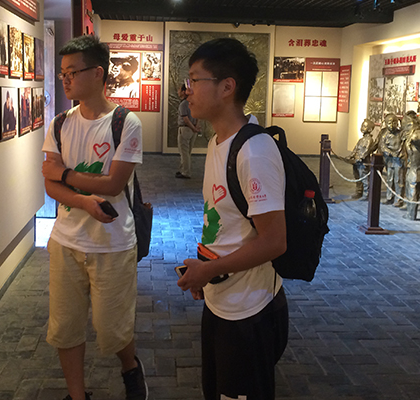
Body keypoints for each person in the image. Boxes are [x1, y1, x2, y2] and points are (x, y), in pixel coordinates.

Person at [176, 38, 288, 400]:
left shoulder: (254, 152)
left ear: (227, 87)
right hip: (222, 299)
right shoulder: (218, 142)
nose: (188, 90)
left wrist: (209, 270)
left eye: (195, 80)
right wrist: (205, 271)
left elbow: (274, 241)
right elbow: (226, 224)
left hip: (249, 310)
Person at [41, 35, 147, 400]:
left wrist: (65, 174)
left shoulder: (125, 123)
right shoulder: (59, 124)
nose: (65, 79)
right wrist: (84, 201)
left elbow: (114, 184)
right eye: (63, 73)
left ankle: (130, 366)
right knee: (65, 327)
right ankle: (77, 395)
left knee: (112, 327)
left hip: (113, 243)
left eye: (72, 72)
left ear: (98, 73)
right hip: (65, 241)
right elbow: (49, 185)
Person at [342, 118, 377, 200]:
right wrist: (350, 156)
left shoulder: (369, 140)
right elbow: (355, 149)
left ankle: (366, 194)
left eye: (364, 126)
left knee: (364, 178)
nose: (362, 128)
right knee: (357, 177)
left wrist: (360, 158)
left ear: (370, 129)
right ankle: (358, 191)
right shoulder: (361, 140)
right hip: (356, 162)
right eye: (362, 126)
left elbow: (366, 151)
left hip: (363, 163)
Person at [379, 114, 404, 205]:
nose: (392, 125)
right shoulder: (384, 134)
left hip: (398, 160)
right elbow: (382, 146)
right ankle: (389, 197)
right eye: (389, 123)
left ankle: (398, 199)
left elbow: (404, 144)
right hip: (390, 160)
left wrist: (400, 153)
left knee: (398, 180)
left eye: (394, 122)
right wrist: (389, 152)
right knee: (390, 179)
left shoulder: (400, 133)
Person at [176, 83, 201, 179]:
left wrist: (193, 128)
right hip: (192, 130)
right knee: (187, 152)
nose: (178, 92)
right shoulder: (194, 102)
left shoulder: (183, 104)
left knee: (184, 152)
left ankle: (185, 172)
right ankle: (183, 169)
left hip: (185, 129)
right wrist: (196, 127)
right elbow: (197, 116)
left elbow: (185, 119)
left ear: (184, 92)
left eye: (179, 90)